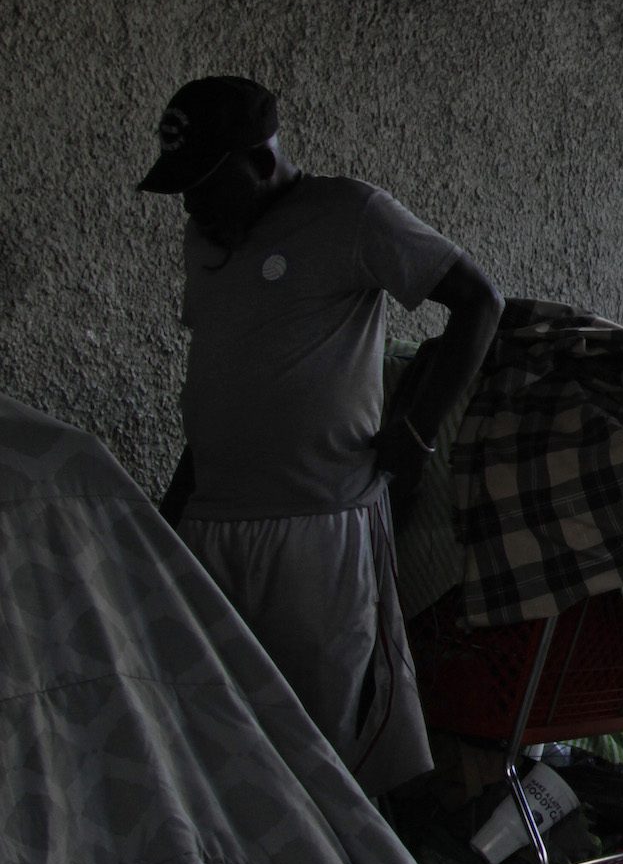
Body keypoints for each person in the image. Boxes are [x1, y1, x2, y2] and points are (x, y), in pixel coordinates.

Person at [139, 75, 502, 796]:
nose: (191, 204)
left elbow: (478, 301)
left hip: (320, 530)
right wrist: (169, 513)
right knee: (216, 741)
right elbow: (221, 383)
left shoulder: (352, 214)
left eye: (206, 184)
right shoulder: (206, 239)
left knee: (323, 748)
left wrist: (415, 431)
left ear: (262, 162)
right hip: (215, 527)